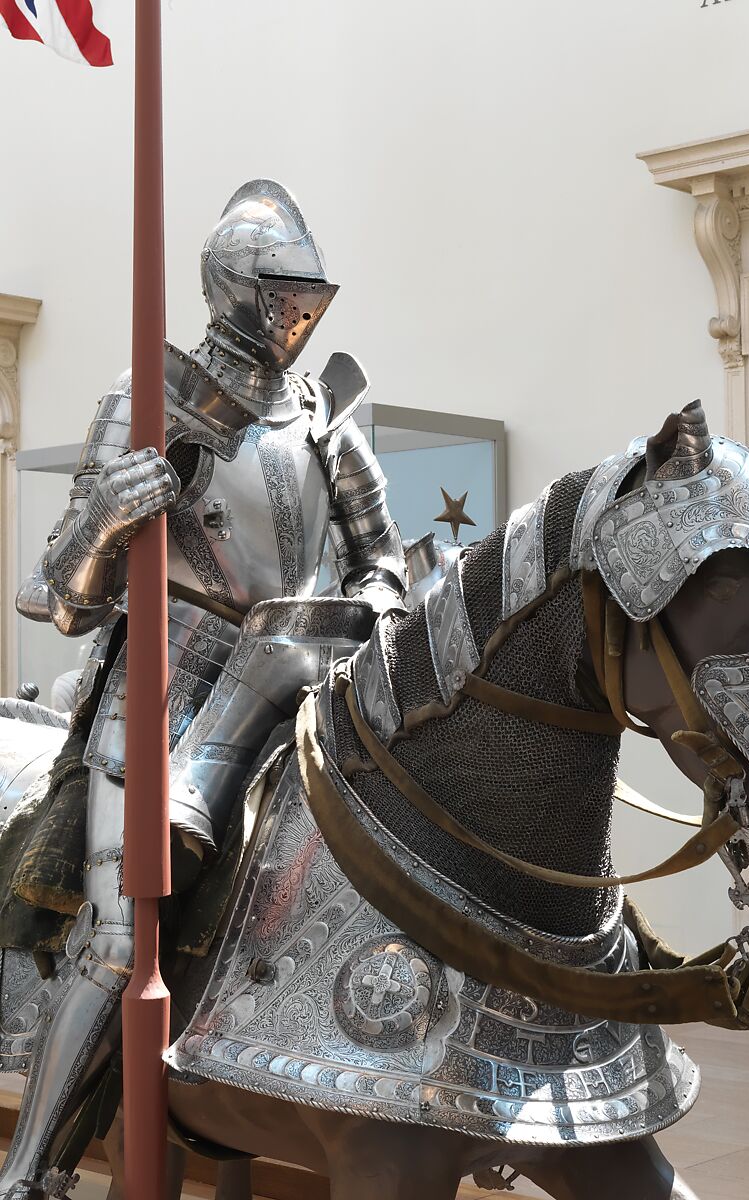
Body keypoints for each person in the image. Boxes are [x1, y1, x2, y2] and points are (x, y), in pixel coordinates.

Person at [1, 179, 406, 1197]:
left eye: (307, 297)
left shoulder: (325, 417)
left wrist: (380, 622)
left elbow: (383, 560)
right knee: (116, 938)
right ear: (233, 290)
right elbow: (56, 599)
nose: (297, 317)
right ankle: (33, 1168)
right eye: (280, 294)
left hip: (309, 679)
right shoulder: (148, 402)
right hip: (169, 693)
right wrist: (104, 519)